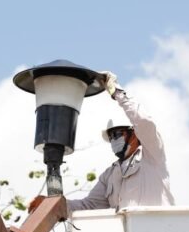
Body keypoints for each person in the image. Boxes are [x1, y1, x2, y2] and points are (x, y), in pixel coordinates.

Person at [28, 71, 174, 213]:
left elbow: (144, 121)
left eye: (118, 134)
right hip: (129, 230)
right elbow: (89, 205)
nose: (114, 139)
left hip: (159, 228)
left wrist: (117, 92)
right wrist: (52, 205)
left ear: (134, 134)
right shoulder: (110, 175)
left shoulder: (151, 156)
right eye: (111, 136)